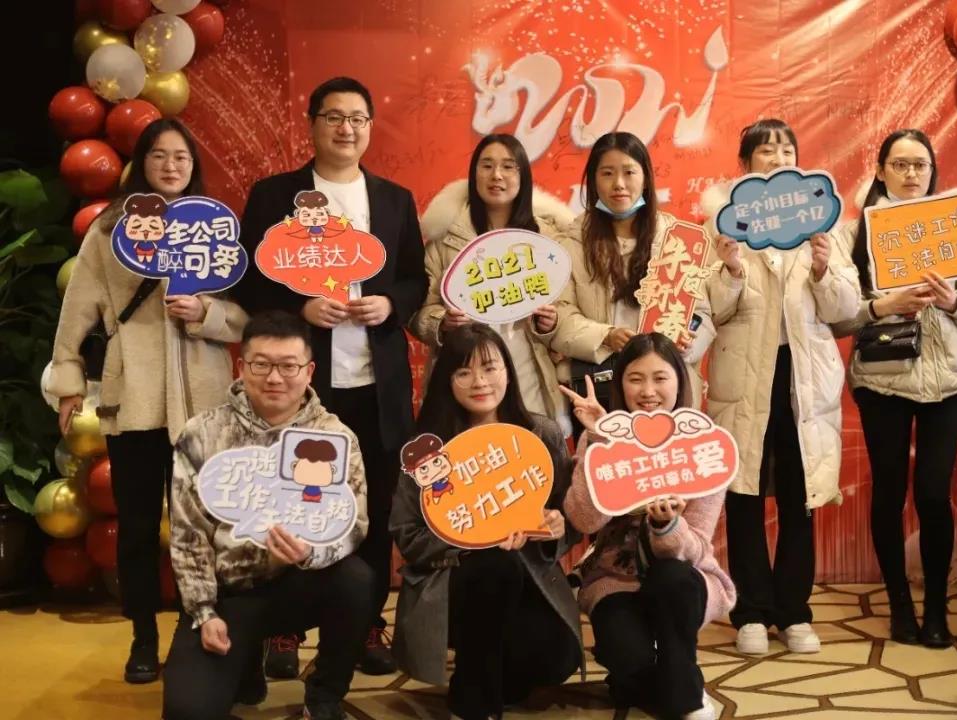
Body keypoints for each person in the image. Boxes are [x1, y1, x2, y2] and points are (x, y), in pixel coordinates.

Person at [233, 76, 427, 676]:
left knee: (374, 504)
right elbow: (247, 279)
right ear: (313, 124)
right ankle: (284, 630)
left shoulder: (394, 199)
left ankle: (365, 625)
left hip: (376, 384)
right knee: (292, 497)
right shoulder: (275, 195)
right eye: (334, 117)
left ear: (369, 127)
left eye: (358, 118)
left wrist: (390, 304)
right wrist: (300, 308)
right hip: (300, 385)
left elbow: (415, 278)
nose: (347, 128)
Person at [47, 118, 247, 684]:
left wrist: (206, 313)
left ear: (193, 165)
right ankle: (140, 637)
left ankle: (198, 629)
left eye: (181, 156)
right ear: (141, 164)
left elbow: (245, 318)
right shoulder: (110, 229)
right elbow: (77, 309)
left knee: (204, 524)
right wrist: (67, 381)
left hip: (203, 402)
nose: (170, 165)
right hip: (132, 397)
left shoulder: (214, 228)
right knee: (136, 528)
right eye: (159, 155)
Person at [831, 129, 957, 647]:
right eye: (900, 164)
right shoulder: (854, 235)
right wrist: (882, 306)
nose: (911, 174)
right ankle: (900, 607)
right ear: (880, 170)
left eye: (920, 165)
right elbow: (834, 316)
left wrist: (953, 302)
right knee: (889, 493)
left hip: (946, 381)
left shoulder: (954, 226)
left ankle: (935, 611)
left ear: (932, 170)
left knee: (932, 494)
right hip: (882, 381)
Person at [162, 311, 373, 720]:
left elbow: (355, 524)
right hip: (229, 594)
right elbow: (188, 536)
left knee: (356, 580)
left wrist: (310, 553)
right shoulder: (202, 433)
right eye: (261, 364)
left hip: (299, 583)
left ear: (309, 371)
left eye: (288, 366)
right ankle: (244, 663)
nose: (275, 378)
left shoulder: (336, 436)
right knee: (188, 712)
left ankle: (325, 693)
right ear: (242, 367)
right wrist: (204, 612)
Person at [700, 118, 859, 655]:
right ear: (745, 164)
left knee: (800, 493)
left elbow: (845, 309)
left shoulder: (823, 222)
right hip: (745, 377)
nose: (777, 158)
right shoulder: (722, 224)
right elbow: (707, 310)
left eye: (786, 149)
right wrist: (729, 271)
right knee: (743, 494)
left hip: (804, 380)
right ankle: (750, 611)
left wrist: (823, 270)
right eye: (765, 150)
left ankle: (794, 612)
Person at [390, 324, 582, 720]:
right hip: (453, 579)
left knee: (556, 657)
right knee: (495, 565)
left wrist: (554, 527)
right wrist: (468, 538)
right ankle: (475, 701)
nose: (479, 382)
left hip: (528, 575)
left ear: (508, 372)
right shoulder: (428, 448)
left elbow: (569, 517)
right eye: (464, 372)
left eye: (490, 368)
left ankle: (489, 678)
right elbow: (407, 534)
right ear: (446, 381)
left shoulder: (541, 432)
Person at [560, 332, 734, 720]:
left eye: (660, 378)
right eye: (635, 379)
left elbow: (696, 546)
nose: (648, 391)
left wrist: (666, 525)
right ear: (620, 384)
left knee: (671, 576)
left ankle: (685, 693)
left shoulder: (703, 443)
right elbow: (585, 520)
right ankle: (654, 677)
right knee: (627, 661)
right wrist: (600, 440)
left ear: (680, 381)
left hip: (683, 577)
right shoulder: (602, 434)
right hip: (614, 577)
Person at [411, 133, 574, 435]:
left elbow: (570, 311)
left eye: (508, 166)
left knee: (529, 450)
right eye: (486, 165)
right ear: (474, 175)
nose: (496, 175)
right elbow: (419, 312)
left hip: (530, 369)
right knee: (469, 453)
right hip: (467, 376)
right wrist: (442, 322)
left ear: (523, 176)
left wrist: (551, 322)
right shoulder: (446, 240)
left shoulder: (550, 240)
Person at [551, 131, 715, 416]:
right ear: (593, 181)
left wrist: (687, 343)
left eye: (629, 172)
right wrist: (606, 335)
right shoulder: (571, 244)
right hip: (603, 391)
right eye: (607, 173)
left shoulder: (676, 241)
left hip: (666, 391)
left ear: (646, 178)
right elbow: (559, 315)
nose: (619, 184)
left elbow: (701, 314)